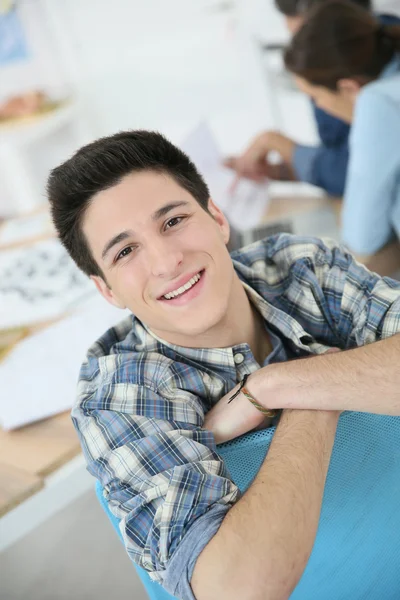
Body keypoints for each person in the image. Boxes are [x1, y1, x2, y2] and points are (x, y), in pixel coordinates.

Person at [48, 131, 400, 600]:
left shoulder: (303, 269)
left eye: (173, 221)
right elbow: (237, 589)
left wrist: (275, 386)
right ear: (107, 290)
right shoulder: (119, 395)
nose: (166, 260)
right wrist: (314, 405)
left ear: (216, 217)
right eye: (125, 251)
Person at [225, 0, 399, 198]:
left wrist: (276, 143)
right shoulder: (382, 35)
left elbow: (354, 172)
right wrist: (283, 169)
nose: (287, 28)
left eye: (290, 17)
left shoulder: (347, 74)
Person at [284, 0, 400, 258]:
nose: (321, 107)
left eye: (316, 96)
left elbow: (361, 237)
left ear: (348, 88)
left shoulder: (377, 102)